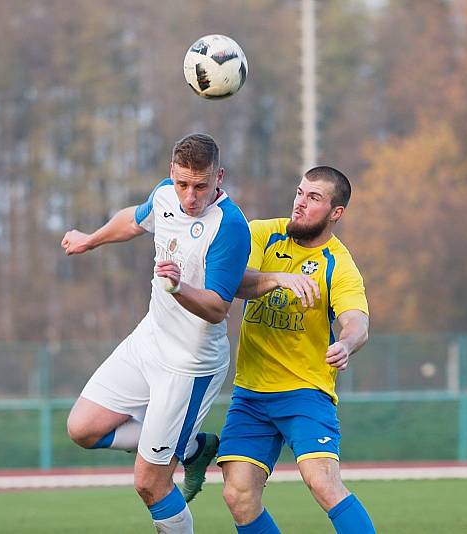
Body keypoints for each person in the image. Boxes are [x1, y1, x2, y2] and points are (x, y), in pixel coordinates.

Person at [61, 133, 250, 533]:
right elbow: (135, 219)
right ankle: (195, 447)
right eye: (182, 184)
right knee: (82, 428)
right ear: (171, 175)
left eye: (200, 186)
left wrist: (179, 288)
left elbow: (218, 308)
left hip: (190, 366)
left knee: (150, 483)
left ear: (219, 177)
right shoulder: (165, 196)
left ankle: (184, 448)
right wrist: (90, 240)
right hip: (149, 341)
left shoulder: (230, 226)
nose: (189, 197)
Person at [217, 166, 376, 533]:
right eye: (300, 193)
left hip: (305, 392)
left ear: (336, 213)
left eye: (314, 198)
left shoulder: (339, 264)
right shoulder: (262, 233)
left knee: (322, 481)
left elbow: (357, 321)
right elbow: (233, 282)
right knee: (238, 495)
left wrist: (347, 343)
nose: (300, 203)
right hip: (252, 394)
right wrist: (280, 278)